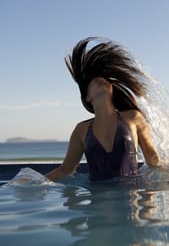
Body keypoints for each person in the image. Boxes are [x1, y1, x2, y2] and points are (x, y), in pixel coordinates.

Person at [46, 37, 162, 182]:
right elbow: (66, 170)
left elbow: (153, 160)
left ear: (112, 89)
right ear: (87, 97)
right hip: (97, 200)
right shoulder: (81, 130)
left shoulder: (133, 117)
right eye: (92, 80)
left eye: (103, 77)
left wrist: (150, 201)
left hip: (131, 198)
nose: (99, 79)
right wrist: (35, 182)